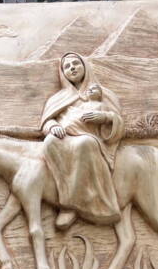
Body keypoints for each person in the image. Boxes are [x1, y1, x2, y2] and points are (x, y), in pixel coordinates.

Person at [39, 52, 125, 229]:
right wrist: (52, 126)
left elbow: (118, 122)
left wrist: (104, 117)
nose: (72, 68)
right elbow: (47, 121)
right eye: (67, 66)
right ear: (63, 74)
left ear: (85, 66)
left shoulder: (102, 94)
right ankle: (66, 201)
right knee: (49, 142)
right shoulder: (58, 98)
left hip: (90, 139)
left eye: (76, 64)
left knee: (85, 143)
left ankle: (74, 204)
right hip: (64, 138)